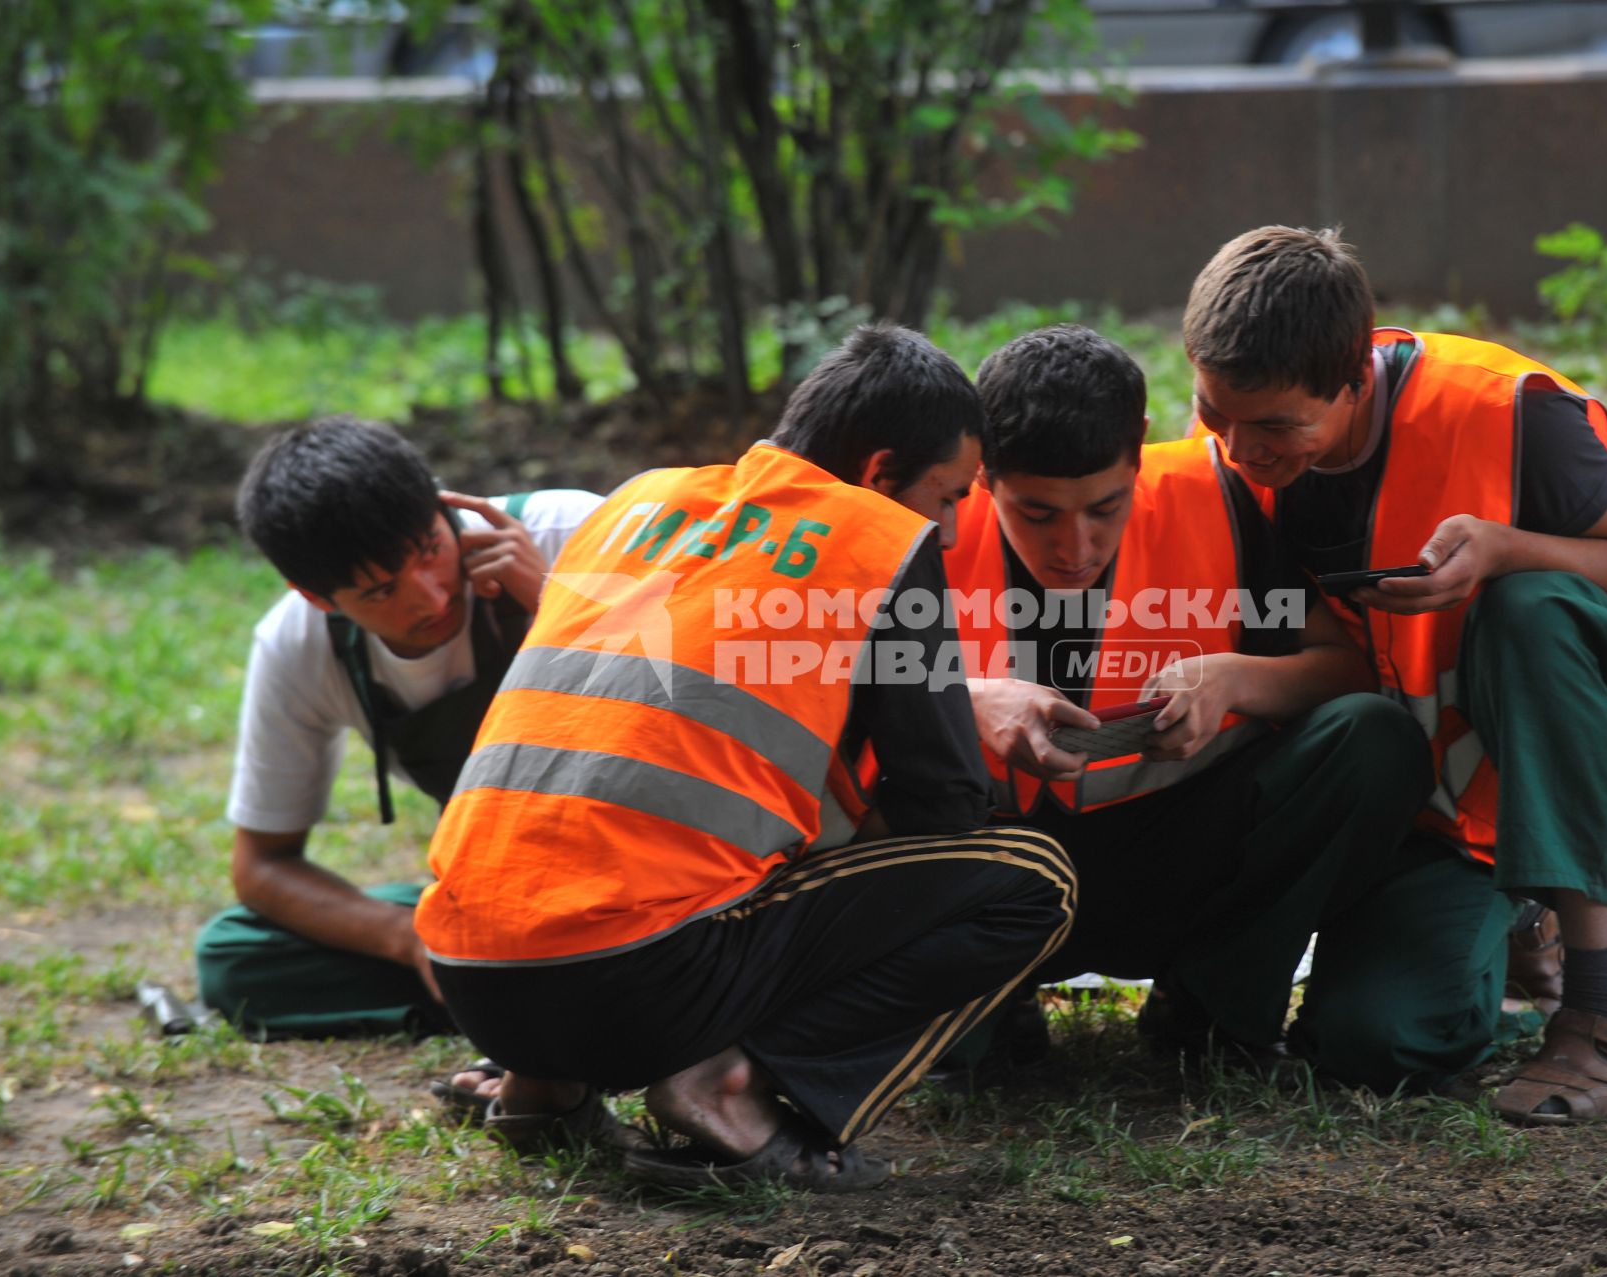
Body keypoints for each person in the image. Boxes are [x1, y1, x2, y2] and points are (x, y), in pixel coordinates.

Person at [416, 325, 1076, 1190]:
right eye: (949, 496)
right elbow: (945, 799)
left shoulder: (632, 504)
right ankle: (730, 1086)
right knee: (1031, 878)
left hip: (470, 981)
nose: (953, 529)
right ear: (879, 475)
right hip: (638, 989)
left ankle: (543, 1085)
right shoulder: (877, 537)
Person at [1183, 226, 1607, 1121]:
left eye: (1276, 425)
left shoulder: (1505, 411)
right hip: (1447, 787)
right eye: (1216, 412)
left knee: (1532, 605)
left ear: (1357, 378)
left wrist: (1506, 549)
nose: (1240, 449)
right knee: (1378, 1041)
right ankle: (1524, 917)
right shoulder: (1241, 454)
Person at [942, 324, 1433, 1073]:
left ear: (1139, 443)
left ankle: (1212, 1009)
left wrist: (1233, 676)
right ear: (982, 468)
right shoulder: (923, 523)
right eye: (1037, 513)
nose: (1075, 546)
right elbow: (816, 682)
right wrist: (965, 697)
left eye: (1105, 506)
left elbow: (1348, 672)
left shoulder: (1215, 496)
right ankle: (986, 1007)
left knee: (1371, 736)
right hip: (988, 872)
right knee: (964, 1064)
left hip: (1176, 859)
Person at [197, 416, 603, 1036]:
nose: (432, 598)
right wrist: (410, 940)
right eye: (382, 591)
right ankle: (506, 983)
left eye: (431, 551)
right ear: (317, 598)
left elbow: (717, 691)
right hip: (516, 900)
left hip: (671, 869)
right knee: (234, 956)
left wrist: (555, 601)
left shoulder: (569, 531)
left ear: (444, 504)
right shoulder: (298, 644)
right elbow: (262, 866)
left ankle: (523, 993)